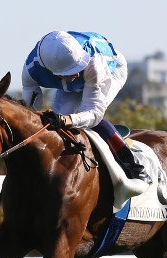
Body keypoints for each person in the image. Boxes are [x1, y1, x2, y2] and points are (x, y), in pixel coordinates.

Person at [22, 31, 146, 181]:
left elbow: (93, 113)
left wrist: (66, 119)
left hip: (110, 71)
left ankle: (130, 162)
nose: (76, 73)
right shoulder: (30, 70)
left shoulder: (93, 63)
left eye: (78, 67)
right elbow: (28, 113)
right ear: (51, 71)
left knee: (86, 121)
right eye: (70, 71)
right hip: (69, 86)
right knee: (56, 130)